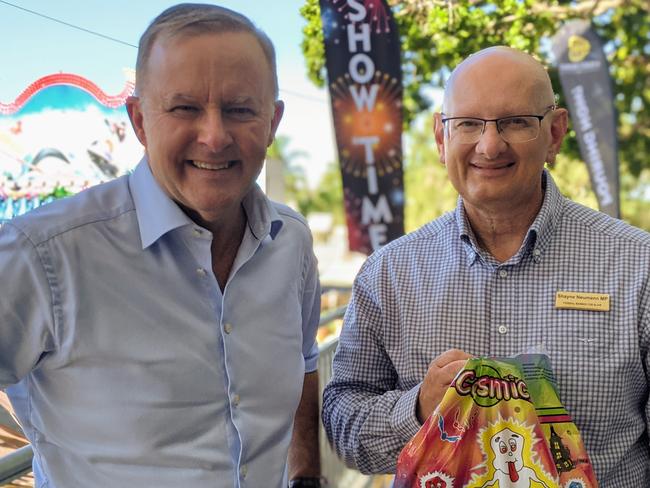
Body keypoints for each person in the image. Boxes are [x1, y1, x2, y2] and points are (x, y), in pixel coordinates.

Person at [0, 4, 323, 487]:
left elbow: (304, 363)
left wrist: (307, 477)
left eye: (239, 109)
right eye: (184, 107)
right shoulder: (43, 254)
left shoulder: (290, 242)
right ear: (140, 120)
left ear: (272, 121)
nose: (214, 137)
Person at [322, 46, 650, 487]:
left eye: (516, 122)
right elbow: (344, 424)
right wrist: (418, 408)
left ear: (554, 134)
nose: (490, 144)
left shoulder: (637, 266)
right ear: (442, 138)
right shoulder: (388, 275)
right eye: (469, 124)